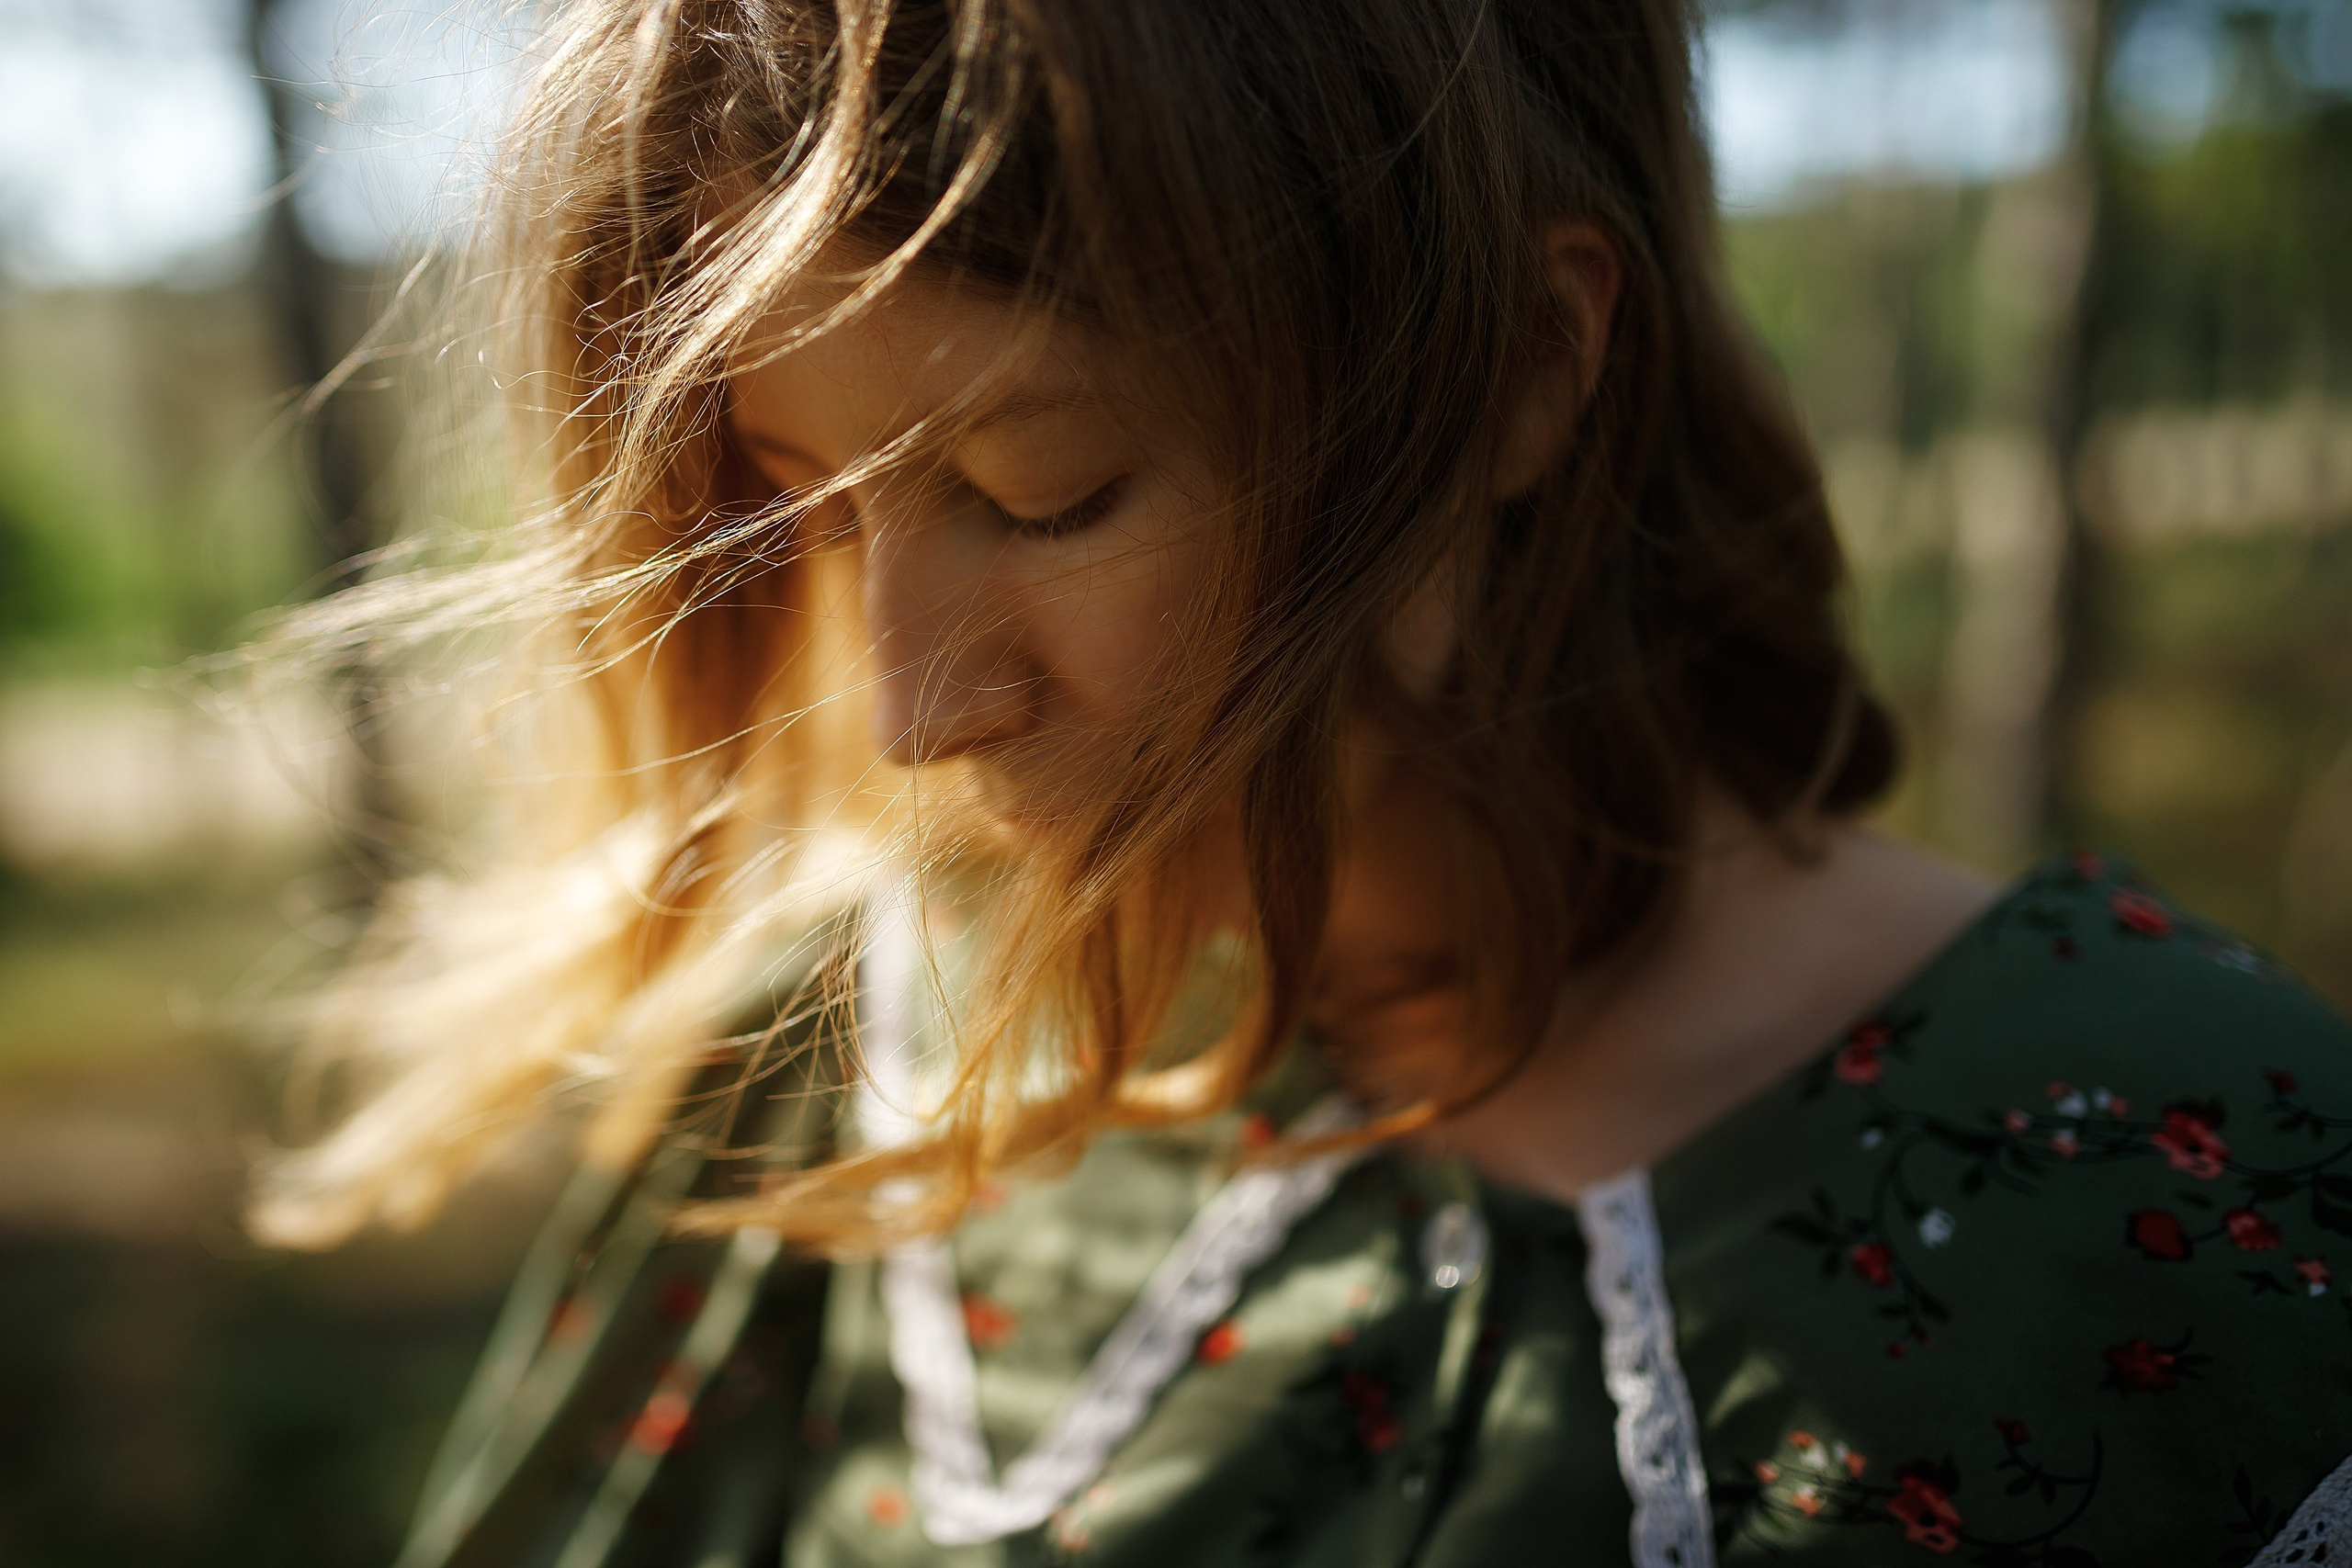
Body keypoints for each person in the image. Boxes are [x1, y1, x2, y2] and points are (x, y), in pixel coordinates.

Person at [251, 0, 2352, 1563]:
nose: (911, 707)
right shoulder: (839, 1079)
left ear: (1527, 366)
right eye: (801, 504)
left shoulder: (2174, 1200)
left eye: (1040, 493)